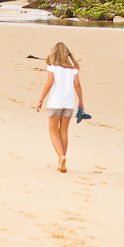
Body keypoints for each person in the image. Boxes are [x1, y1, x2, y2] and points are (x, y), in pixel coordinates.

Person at [36, 42, 84, 173]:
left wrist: (40, 100)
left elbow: (49, 84)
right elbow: (78, 85)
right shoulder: (73, 68)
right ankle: (61, 159)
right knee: (63, 132)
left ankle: (61, 157)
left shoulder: (52, 67)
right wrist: (81, 102)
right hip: (69, 104)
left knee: (53, 131)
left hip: (55, 102)